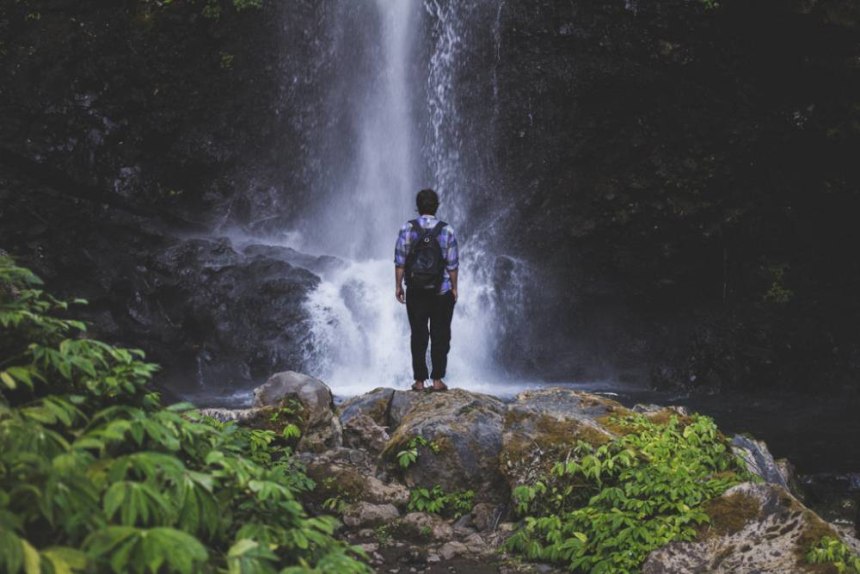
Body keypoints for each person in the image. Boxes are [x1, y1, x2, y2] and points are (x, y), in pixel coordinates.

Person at [394, 188, 459, 392]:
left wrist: (398, 285)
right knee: (441, 334)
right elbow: (453, 264)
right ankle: (438, 380)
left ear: (418, 207)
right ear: (436, 206)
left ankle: (420, 381)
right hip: (441, 291)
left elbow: (400, 261)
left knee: (418, 335)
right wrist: (454, 288)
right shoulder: (447, 230)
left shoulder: (407, 228)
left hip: (416, 290)